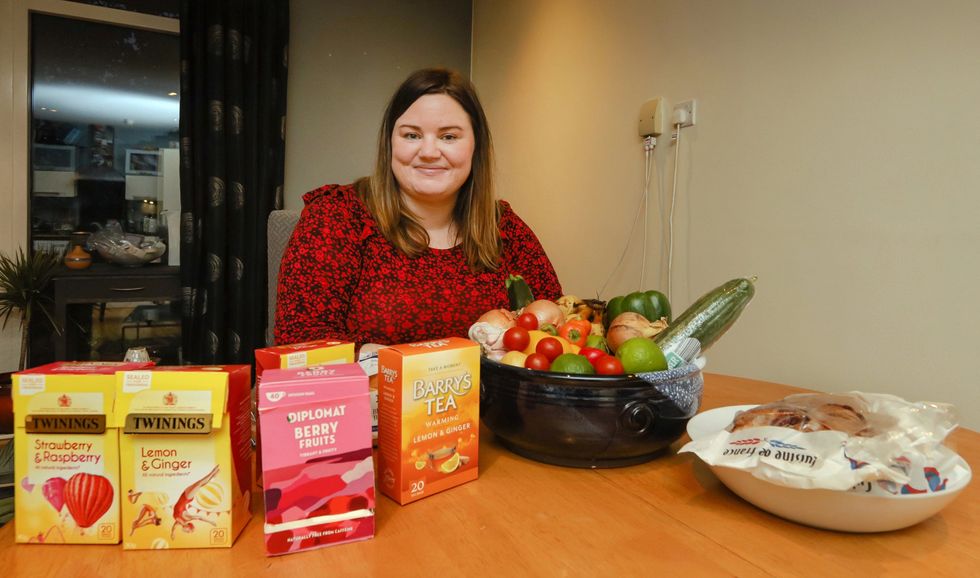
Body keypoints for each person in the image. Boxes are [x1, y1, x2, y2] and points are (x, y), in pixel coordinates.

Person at [274, 68, 561, 346]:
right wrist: (383, 359)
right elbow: (300, 341)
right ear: (390, 143)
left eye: (449, 137)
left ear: (476, 147)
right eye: (412, 135)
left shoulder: (504, 228)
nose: (429, 152)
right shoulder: (337, 217)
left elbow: (557, 324)